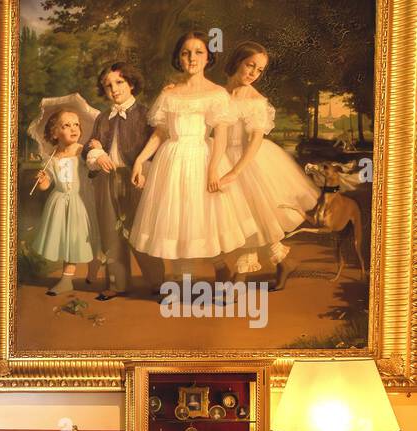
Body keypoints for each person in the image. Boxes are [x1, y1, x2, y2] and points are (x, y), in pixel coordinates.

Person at [129, 33, 257, 290]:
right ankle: (181, 282)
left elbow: (220, 134)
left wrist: (212, 170)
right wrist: (139, 161)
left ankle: (221, 269)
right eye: (186, 52)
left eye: (199, 52)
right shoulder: (169, 93)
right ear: (178, 57)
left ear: (208, 57)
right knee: (176, 221)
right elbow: (160, 133)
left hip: (201, 159)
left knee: (202, 219)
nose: (192, 58)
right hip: (171, 160)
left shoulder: (216, 93)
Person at [219, 41, 319, 290]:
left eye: (260, 69)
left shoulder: (256, 101)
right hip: (220, 157)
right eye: (250, 65)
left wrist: (236, 171)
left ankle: (240, 277)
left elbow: (254, 142)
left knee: (251, 218)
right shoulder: (218, 94)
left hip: (248, 162)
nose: (253, 73)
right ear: (237, 62)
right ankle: (284, 261)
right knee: (230, 220)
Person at [84, 61, 163, 299]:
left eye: (119, 82)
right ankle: (117, 283)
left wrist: (145, 170)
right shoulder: (102, 118)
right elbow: (90, 146)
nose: (114, 89)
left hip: (136, 177)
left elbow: (157, 148)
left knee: (140, 229)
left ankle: (158, 282)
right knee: (110, 230)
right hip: (107, 179)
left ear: (131, 83)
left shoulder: (146, 114)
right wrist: (96, 154)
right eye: (108, 85)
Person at [33, 110, 99, 295]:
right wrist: (42, 179)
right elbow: (47, 186)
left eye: (76, 124)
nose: (73, 128)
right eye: (66, 125)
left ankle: (94, 268)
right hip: (61, 201)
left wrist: (96, 152)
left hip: (81, 200)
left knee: (87, 238)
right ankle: (66, 280)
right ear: (55, 133)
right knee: (70, 240)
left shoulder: (83, 151)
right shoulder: (52, 158)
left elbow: (95, 169)